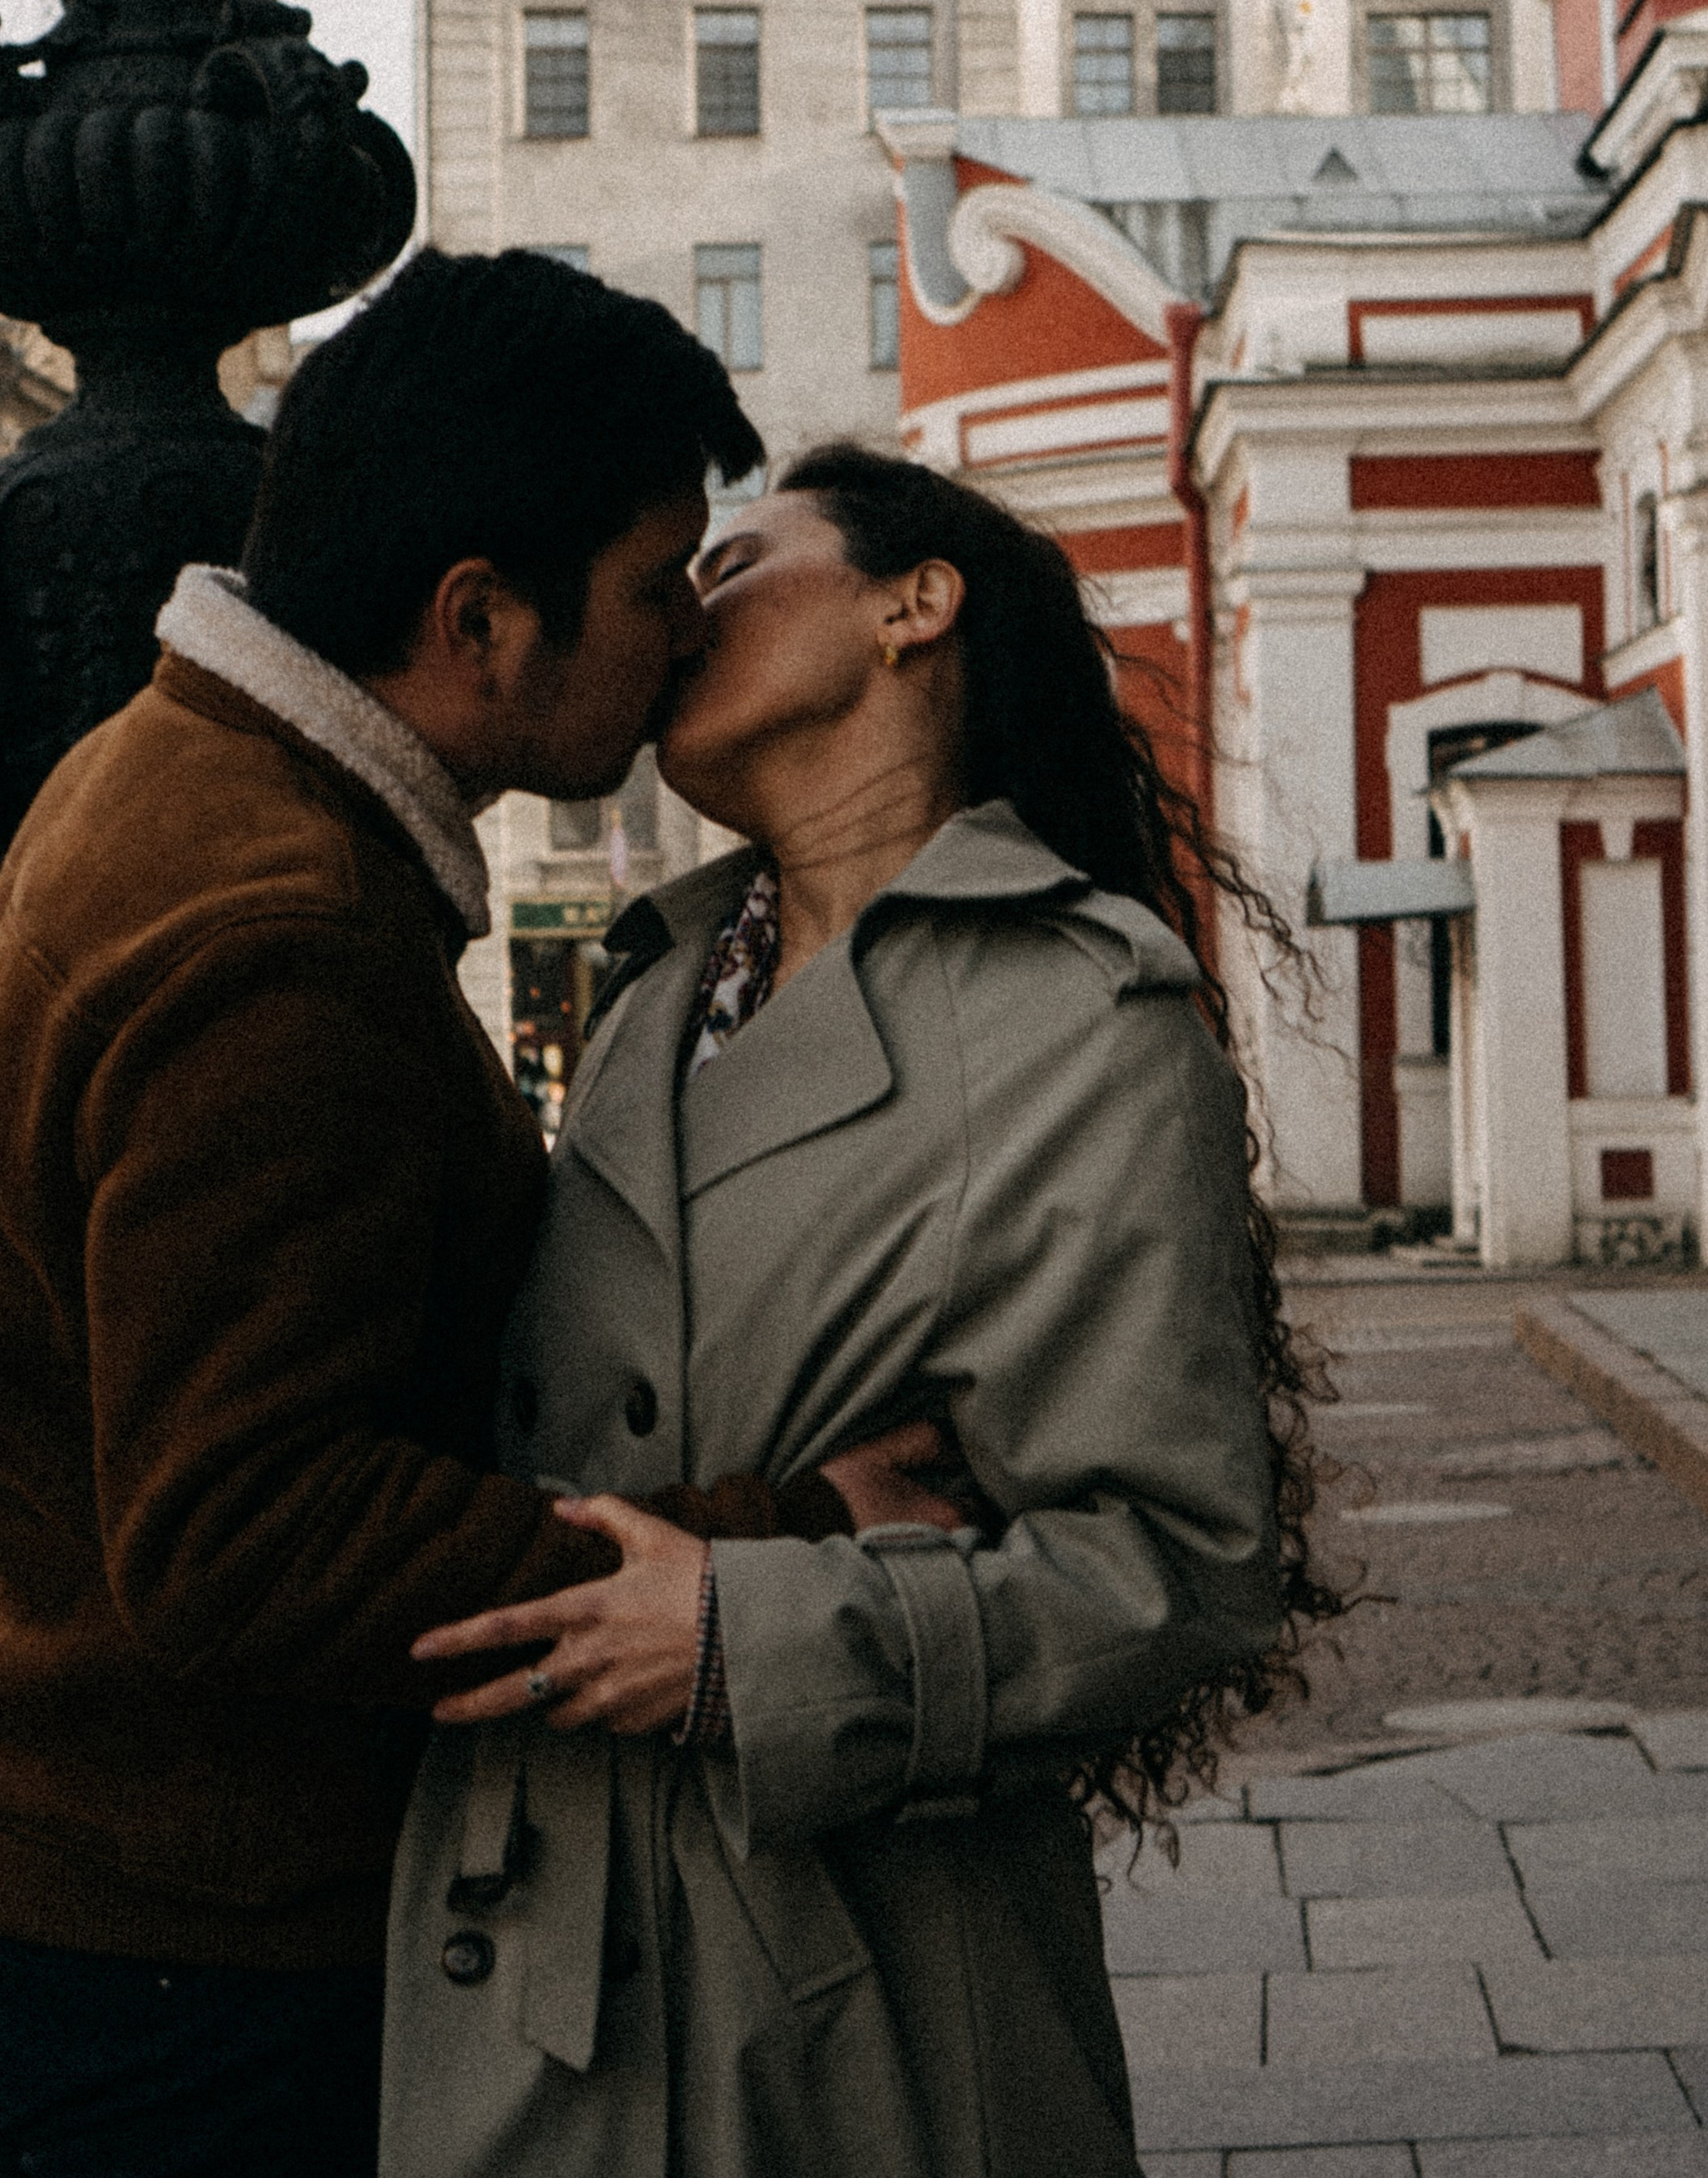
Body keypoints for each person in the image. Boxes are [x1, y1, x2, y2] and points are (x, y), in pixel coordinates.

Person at [385, 443, 1341, 2178]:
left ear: (916, 603)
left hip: (849, 1998)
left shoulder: (1083, 1021)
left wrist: (755, 1636)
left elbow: (1181, 1571)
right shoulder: (656, 988)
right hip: (532, 1953)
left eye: (740, 560)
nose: (685, 607)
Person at [0, 249, 854, 2178]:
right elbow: (245, 1535)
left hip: (116, 1911)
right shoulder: (277, 937)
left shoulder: (173, 770)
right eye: (651, 592)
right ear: (482, 616)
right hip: (193, 1970)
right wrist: (774, 1541)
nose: (677, 653)